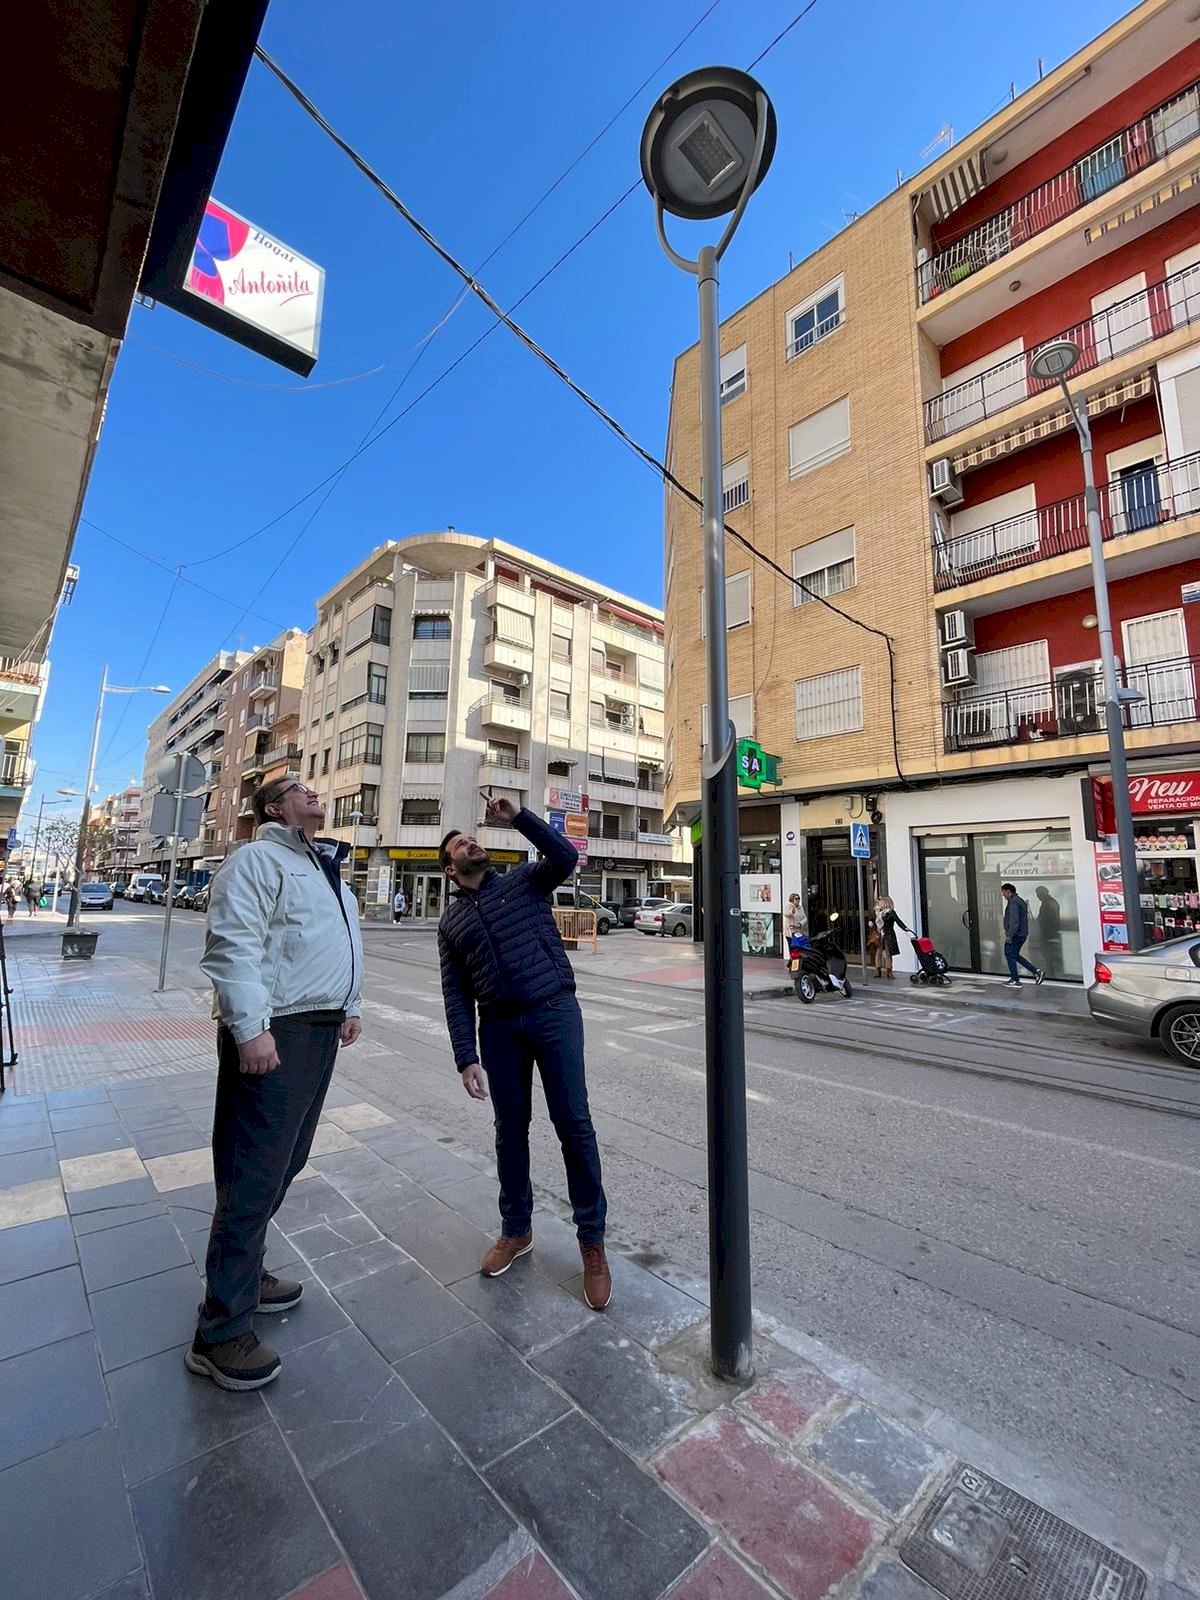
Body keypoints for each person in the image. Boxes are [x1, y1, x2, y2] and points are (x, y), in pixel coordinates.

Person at [188, 776, 364, 1392]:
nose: (313, 793)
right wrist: (249, 1028)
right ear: (273, 807)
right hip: (275, 1030)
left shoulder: (324, 867)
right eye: (299, 788)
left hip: (318, 1028)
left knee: (287, 1161)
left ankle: (246, 1275)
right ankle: (219, 1331)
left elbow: (339, 943)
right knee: (252, 1172)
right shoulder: (256, 860)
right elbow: (232, 946)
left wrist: (350, 1004)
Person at [438, 793, 611, 1311]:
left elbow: (564, 856)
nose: (472, 843)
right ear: (451, 870)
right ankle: (517, 1229)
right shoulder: (450, 924)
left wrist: (518, 818)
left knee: (574, 1125)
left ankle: (592, 1243)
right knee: (509, 1131)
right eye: (460, 845)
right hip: (498, 1029)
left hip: (553, 1011)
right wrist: (465, 1056)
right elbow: (455, 994)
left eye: (472, 838)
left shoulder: (524, 881)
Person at [1001, 883, 1044, 987]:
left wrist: (1010, 935)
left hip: (1016, 934)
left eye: (1003, 892)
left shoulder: (1014, 902)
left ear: (1008, 891)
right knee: (1013, 954)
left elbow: (1014, 920)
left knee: (1010, 954)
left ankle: (1015, 979)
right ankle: (1036, 972)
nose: (1003, 895)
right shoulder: (1018, 901)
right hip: (1020, 933)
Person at [873, 895, 908, 979]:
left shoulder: (891, 912)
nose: (878, 903)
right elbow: (873, 919)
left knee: (888, 953)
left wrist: (905, 928)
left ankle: (889, 971)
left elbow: (898, 921)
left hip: (888, 934)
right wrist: (871, 922)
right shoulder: (877, 911)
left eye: (880, 902)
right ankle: (878, 970)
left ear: (885, 903)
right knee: (878, 952)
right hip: (879, 934)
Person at [1034, 885, 1062, 979]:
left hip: (1050, 935)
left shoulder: (1050, 904)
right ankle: (1051, 974)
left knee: (1052, 958)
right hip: (1048, 934)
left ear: (1043, 893)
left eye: (1038, 894)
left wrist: (1047, 932)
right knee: (1048, 958)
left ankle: (1054, 976)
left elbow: (1051, 920)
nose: (1037, 896)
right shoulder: (1047, 903)